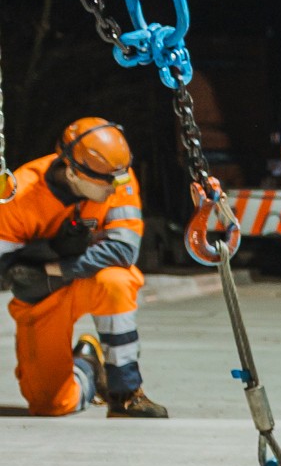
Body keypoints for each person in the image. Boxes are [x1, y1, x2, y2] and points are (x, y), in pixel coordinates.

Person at [0, 117, 166, 417]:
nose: (117, 185)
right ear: (73, 173)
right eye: (107, 181)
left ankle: (125, 393)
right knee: (51, 404)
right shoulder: (18, 194)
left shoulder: (118, 177)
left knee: (118, 281)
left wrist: (57, 267)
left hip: (74, 278)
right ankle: (88, 366)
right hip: (42, 296)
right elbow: (5, 269)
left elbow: (124, 250)